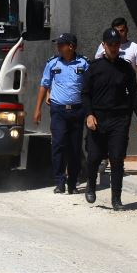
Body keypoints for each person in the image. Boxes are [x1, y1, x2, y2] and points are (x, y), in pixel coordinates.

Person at [83, 28, 137, 210]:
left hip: (119, 119)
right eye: (110, 44)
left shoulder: (126, 67)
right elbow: (85, 94)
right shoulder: (94, 67)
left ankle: (116, 199)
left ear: (120, 46)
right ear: (103, 45)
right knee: (94, 156)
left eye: (116, 44)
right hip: (98, 118)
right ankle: (90, 185)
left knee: (117, 158)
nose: (113, 47)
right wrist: (89, 114)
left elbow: (134, 94)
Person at [33, 33, 89, 195]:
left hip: (77, 111)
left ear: (71, 46)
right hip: (58, 111)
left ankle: (72, 183)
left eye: (61, 44)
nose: (58, 47)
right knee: (58, 145)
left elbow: (89, 88)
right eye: (58, 44)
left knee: (74, 147)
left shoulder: (84, 63)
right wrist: (37, 110)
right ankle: (59, 181)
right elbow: (44, 85)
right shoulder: (52, 63)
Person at [94, 17, 137, 109]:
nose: (119, 33)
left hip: (126, 93)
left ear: (127, 30)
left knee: (124, 120)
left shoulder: (135, 48)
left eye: (122, 30)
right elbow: (96, 68)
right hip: (106, 92)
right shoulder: (104, 46)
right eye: (116, 31)